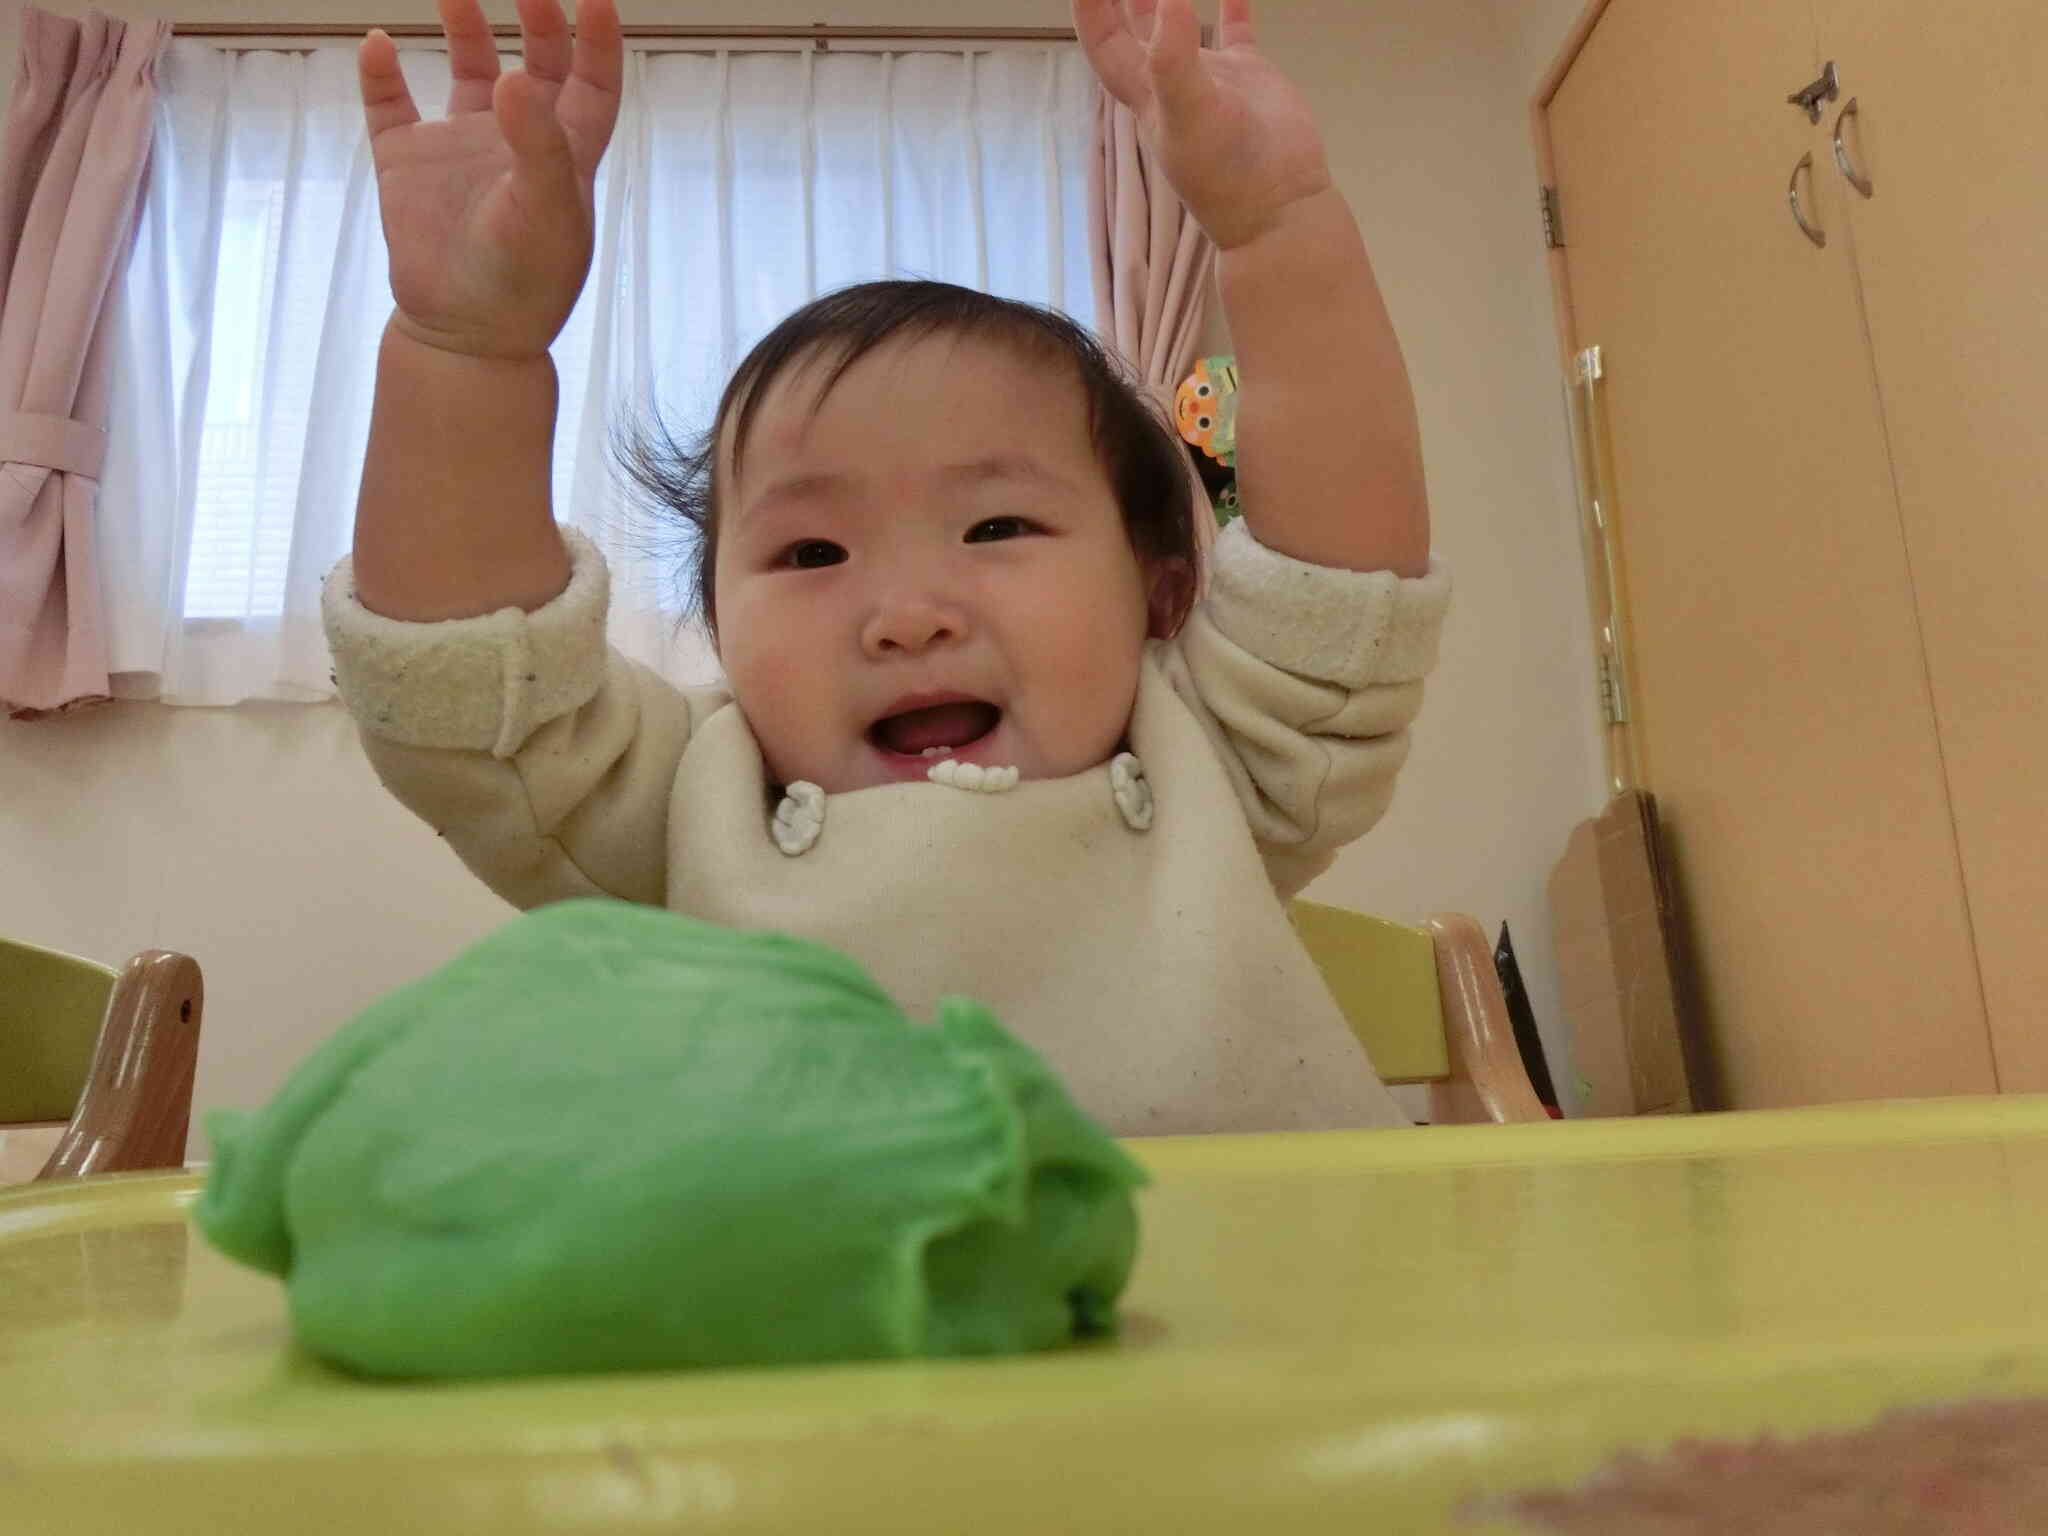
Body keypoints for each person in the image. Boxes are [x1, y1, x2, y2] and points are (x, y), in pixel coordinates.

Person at [323, 0, 1450, 1135]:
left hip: (1241, 1294)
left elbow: (1339, 588)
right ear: (718, 629)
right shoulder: (684, 807)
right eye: (810, 552)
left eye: (996, 529)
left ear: (1160, 593)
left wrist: (1276, 229)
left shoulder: (1223, 763)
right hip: (815, 1312)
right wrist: (465, 354)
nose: (905, 618)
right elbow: (468, 689)